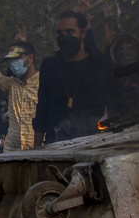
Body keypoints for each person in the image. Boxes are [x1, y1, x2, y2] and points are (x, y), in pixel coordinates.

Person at [33, 10, 117, 146]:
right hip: (56, 141)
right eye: (60, 33)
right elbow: (42, 107)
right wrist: (36, 147)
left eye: (70, 32)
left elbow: (113, 103)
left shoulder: (98, 65)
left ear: (83, 33)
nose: (64, 36)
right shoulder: (49, 66)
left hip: (93, 140)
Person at [0, 23, 41, 152]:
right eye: (11, 60)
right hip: (12, 151)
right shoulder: (10, 85)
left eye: (17, 58)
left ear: (31, 58)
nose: (14, 63)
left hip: (40, 149)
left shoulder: (44, 82)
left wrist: (24, 46)